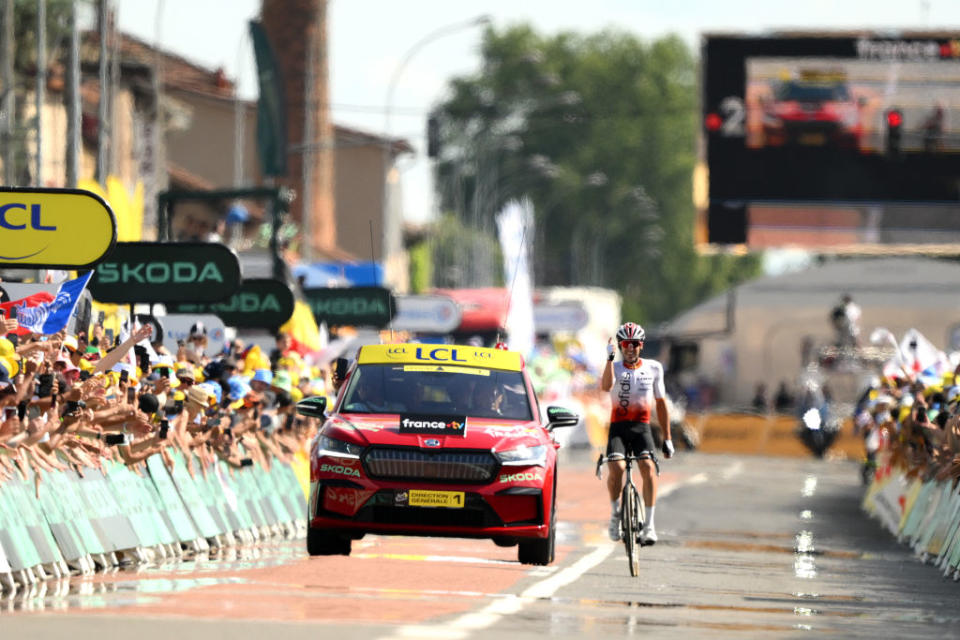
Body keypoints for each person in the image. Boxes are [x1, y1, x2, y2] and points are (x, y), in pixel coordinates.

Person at [600, 322, 672, 546]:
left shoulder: (654, 368)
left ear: (641, 345)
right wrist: (610, 360)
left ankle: (649, 526)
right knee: (617, 467)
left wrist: (668, 438)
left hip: (642, 428)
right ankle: (615, 515)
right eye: (625, 345)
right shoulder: (615, 366)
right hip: (618, 428)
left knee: (648, 468)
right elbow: (605, 386)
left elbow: (661, 405)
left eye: (634, 344)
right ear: (620, 346)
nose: (630, 348)